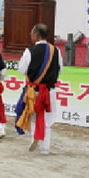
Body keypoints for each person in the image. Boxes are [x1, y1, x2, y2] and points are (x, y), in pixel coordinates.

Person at [15, 23, 63, 155]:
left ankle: (34, 138)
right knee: (47, 119)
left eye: (31, 33)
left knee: (33, 116)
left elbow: (21, 69)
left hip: (33, 90)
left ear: (36, 35)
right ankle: (45, 148)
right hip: (49, 90)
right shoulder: (56, 51)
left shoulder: (29, 51)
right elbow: (61, 69)